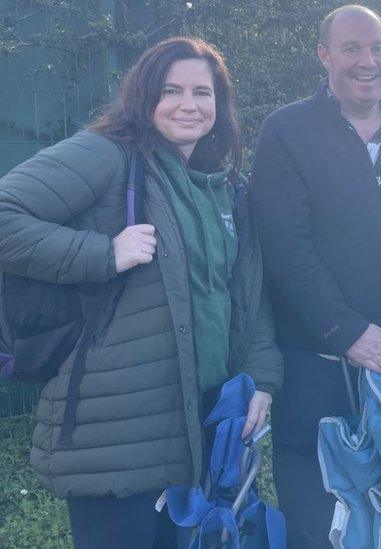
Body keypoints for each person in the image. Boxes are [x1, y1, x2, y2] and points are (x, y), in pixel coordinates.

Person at [0, 36, 282, 549]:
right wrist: (103, 254)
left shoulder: (223, 186)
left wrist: (261, 377)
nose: (188, 105)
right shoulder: (106, 155)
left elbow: (245, 292)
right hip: (117, 432)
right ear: (143, 97)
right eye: (170, 90)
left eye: (203, 92)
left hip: (201, 424)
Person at [248, 5, 381, 547]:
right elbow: (284, 248)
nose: (368, 61)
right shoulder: (286, 131)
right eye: (352, 48)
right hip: (316, 364)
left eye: (378, 48)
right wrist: (347, 332)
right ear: (324, 56)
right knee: (321, 520)